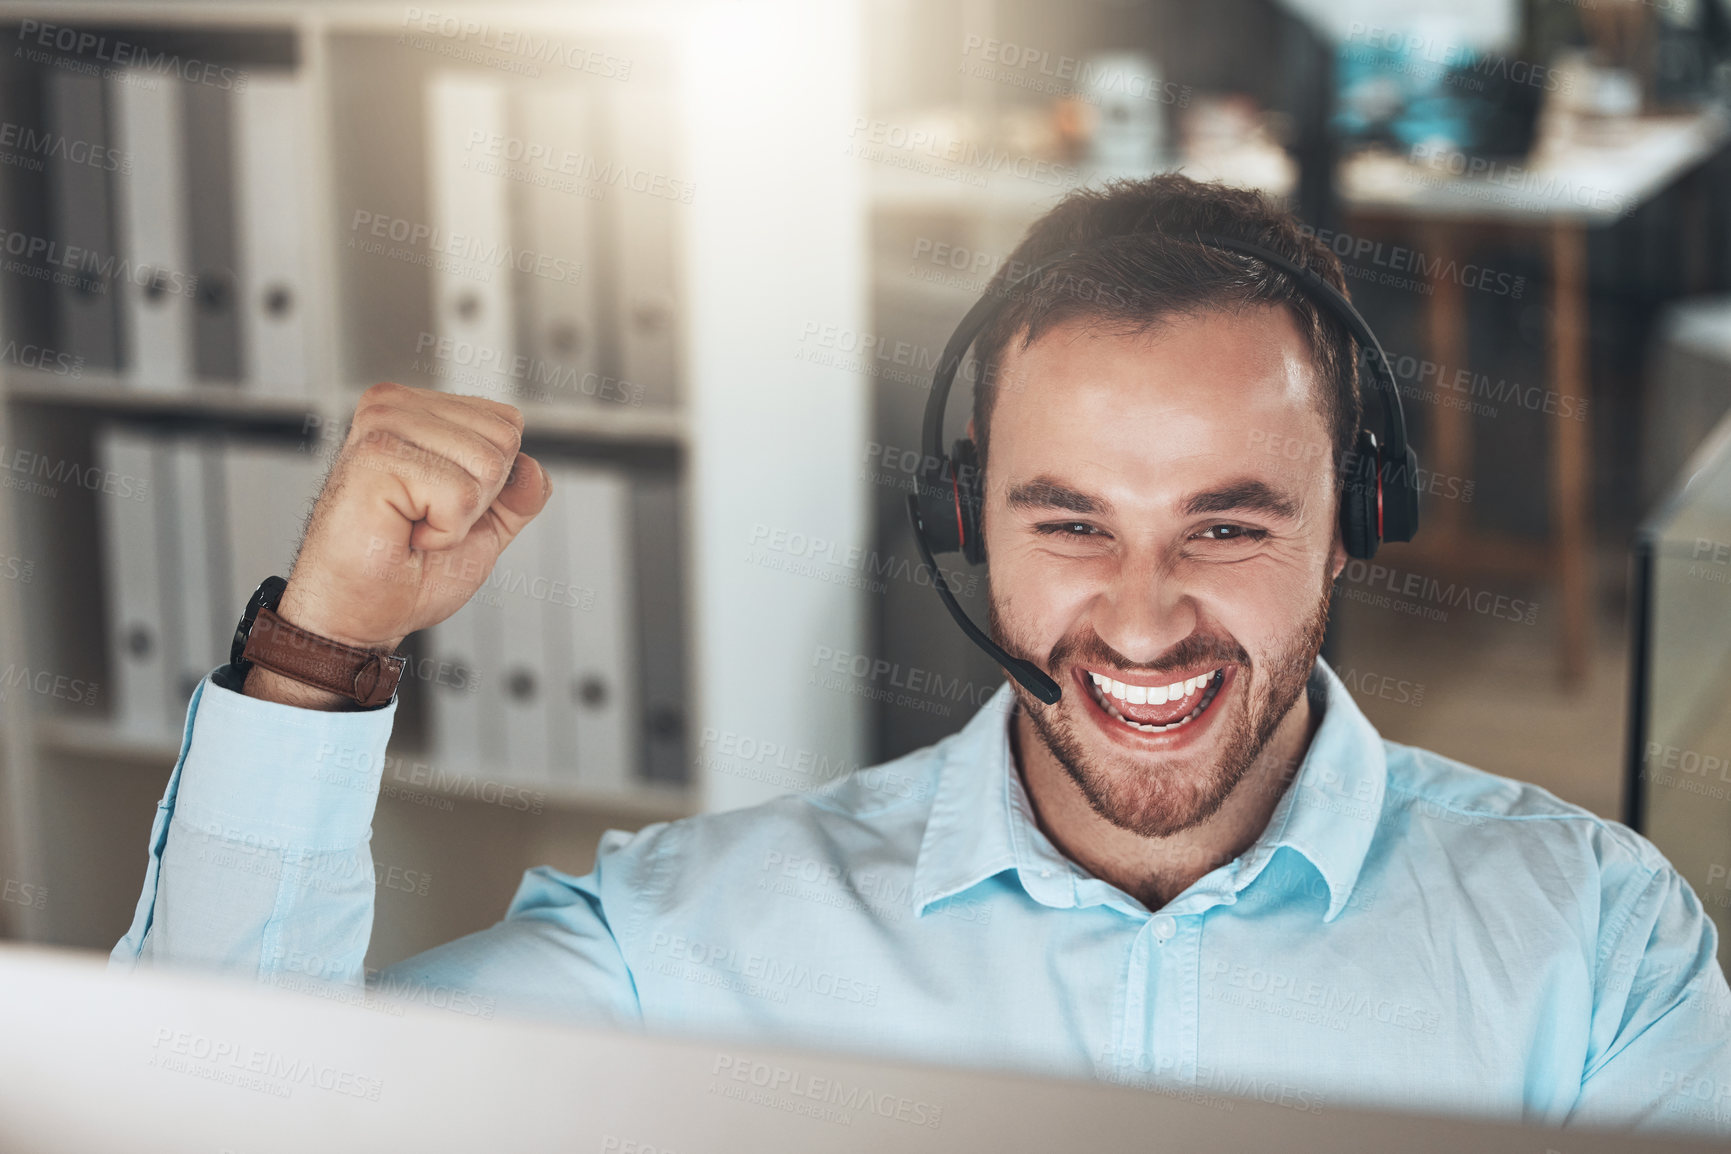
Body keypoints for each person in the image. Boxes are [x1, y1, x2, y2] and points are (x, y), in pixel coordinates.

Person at [113, 174, 1730, 1136]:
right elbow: (203, 1120)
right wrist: (317, 655)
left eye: (1229, 525)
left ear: (1356, 515)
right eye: (1072, 522)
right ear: (966, 520)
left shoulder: (1592, 951)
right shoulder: (696, 941)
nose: (1148, 612)